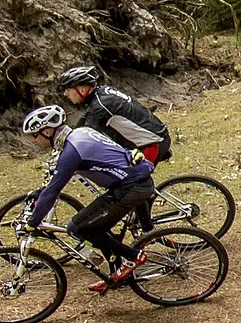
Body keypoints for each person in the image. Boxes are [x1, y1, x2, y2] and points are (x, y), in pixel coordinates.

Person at [18, 105, 157, 292]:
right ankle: (116, 271)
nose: (35, 140)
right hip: (133, 182)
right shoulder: (80, 133)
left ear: (48, 132)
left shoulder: (72, 151)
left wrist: (32, 222)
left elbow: (54, 191)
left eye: (35, 135)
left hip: (131, 188)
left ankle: (134, 256)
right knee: (97, 226)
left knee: (76, 228)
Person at [58, 66, 172, 232]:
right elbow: (84, 123)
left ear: (82, 89)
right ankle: (142, 219)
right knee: (131, 181)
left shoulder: (100, 107)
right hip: (147, 138)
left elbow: (87, 137)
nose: (65, 94)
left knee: (132, 182)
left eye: (68, 90)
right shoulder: (101, 94)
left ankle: (148, 230)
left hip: (152, 143)